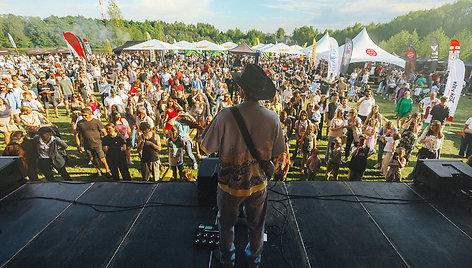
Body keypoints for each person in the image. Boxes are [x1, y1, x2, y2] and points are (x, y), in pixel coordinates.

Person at [201, 64, 285, 267]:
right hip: (258, 185)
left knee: (226, 225)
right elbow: (277, 151)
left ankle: (227, 259)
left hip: (229, 186)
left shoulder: (225, 115)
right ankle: (253, 260)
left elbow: (205, 148)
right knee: (257, 226)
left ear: (241, 90)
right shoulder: (272, 118)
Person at [75, 107, 112, 178]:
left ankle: (107, 170)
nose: (83, 117)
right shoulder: (80, 123)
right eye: (82, 115)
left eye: (85, 115)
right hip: (87, 144)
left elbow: (104, 131)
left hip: (97, 143)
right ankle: (98, 171)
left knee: (102, 158)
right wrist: (78, 146)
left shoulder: (96, 122)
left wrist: (106, 142)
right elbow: (77, 134)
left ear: (90, 114)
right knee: (92, 159)